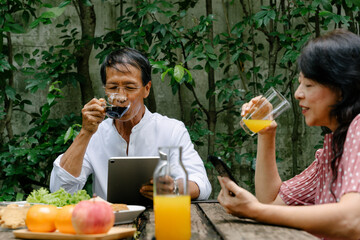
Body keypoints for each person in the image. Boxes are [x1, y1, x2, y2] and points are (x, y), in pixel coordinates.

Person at [217, 29, 360, 240]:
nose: (297, 93)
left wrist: (253, 210)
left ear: (342, 89)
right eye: (300, 83)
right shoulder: (332, 150)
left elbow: (353, 220)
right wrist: (266, 132)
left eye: (309, 85)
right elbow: (272, 202)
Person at [50, 47, 211, 201]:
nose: (121, 96)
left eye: (130, 87)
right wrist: (85, 132)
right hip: (108, 224)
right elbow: (60, 190)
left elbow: (201, 183)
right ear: (105, 90)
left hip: (158, 220)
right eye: (113, 87)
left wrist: (174, 188)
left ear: (146, 89)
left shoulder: (171, 130)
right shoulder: (95, 133)